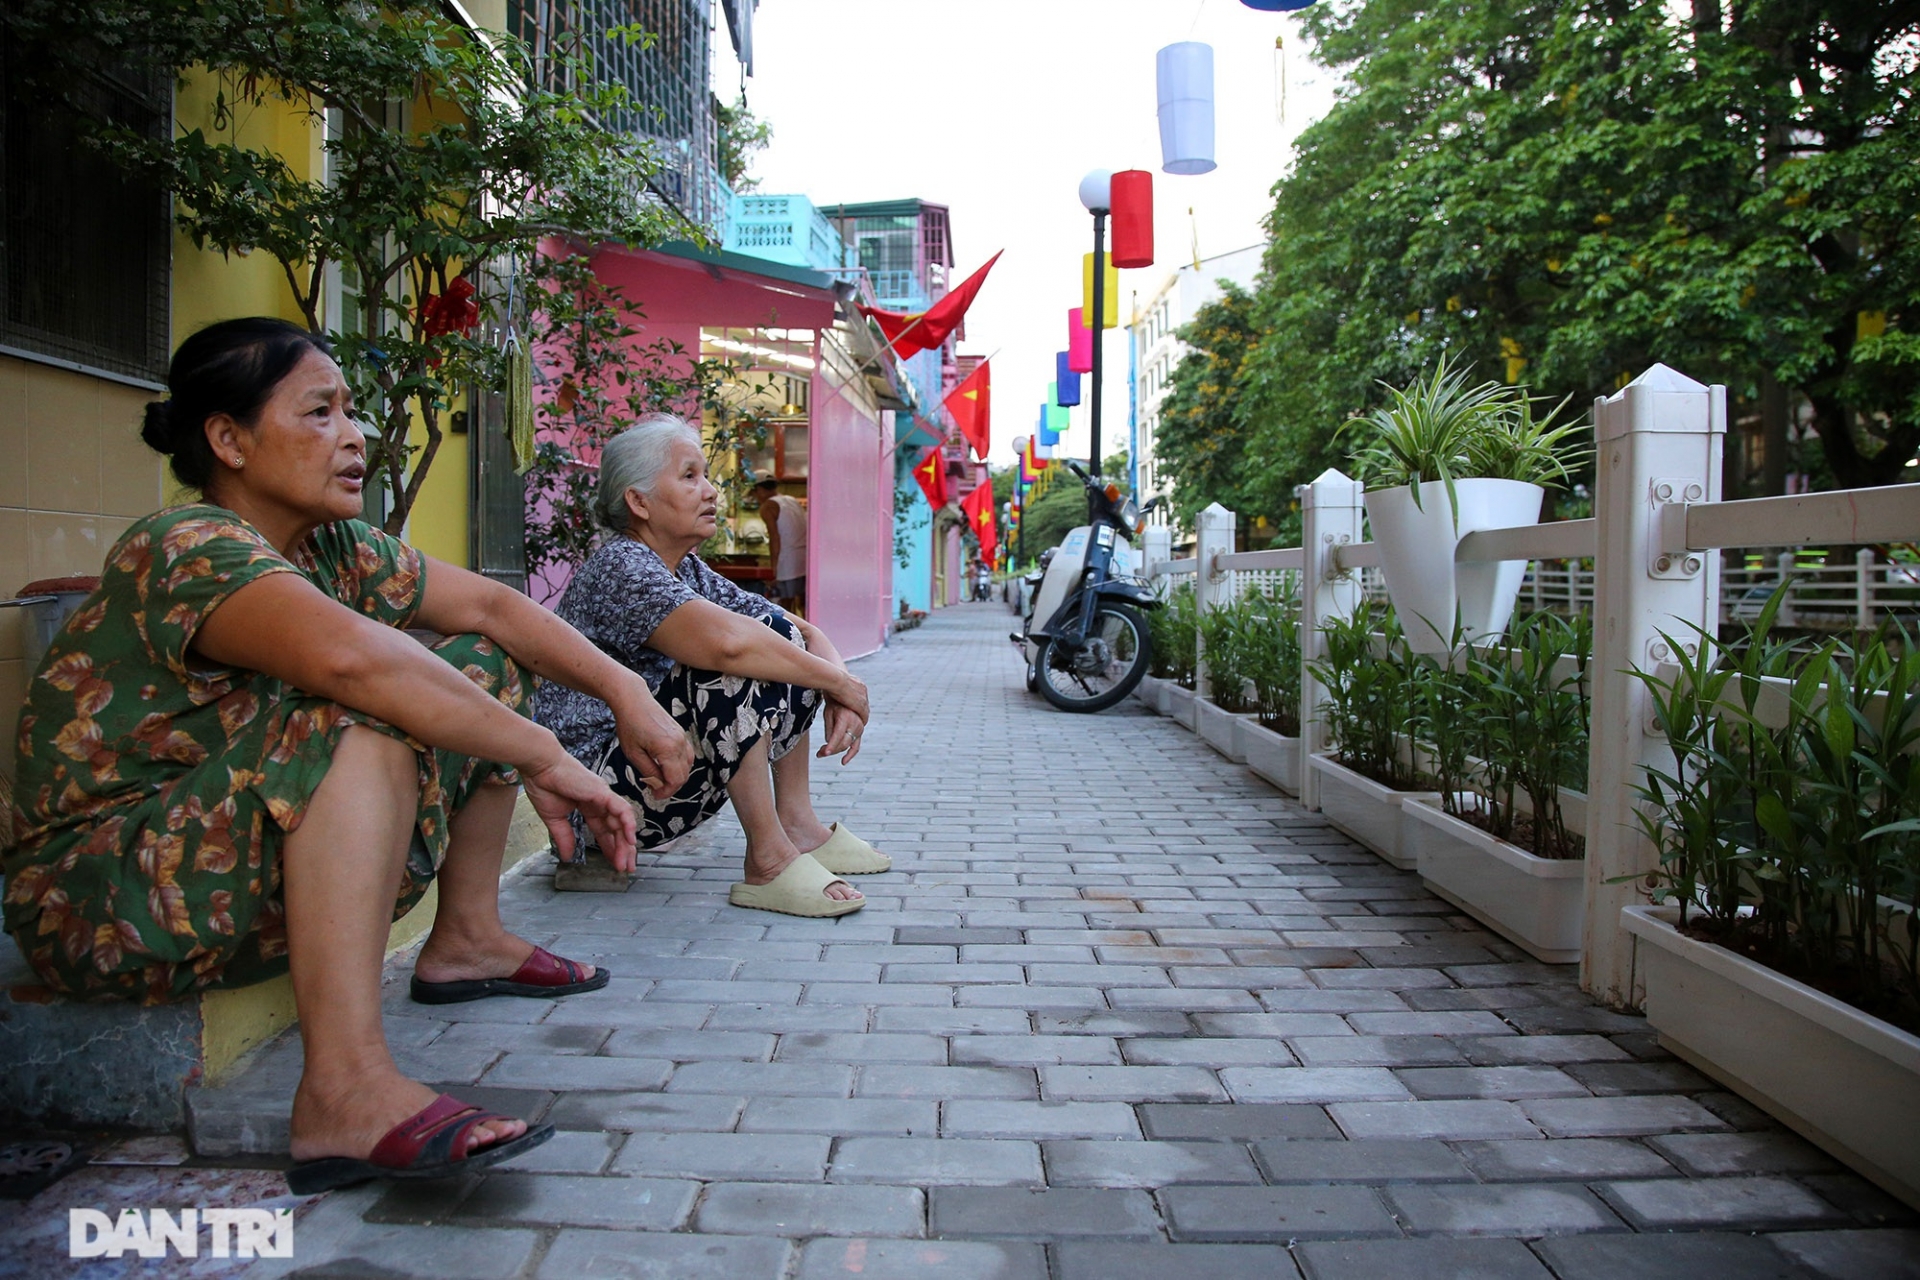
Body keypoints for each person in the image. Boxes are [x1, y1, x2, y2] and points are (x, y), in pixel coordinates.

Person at [2, 318, 695, 1195]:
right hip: (100, 896)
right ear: (228, 439)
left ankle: (468, 940)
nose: (354, 435)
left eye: (349, 411)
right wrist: (546, 755)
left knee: (480, 662)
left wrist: (626, 696)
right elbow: (354, 664)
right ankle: (343, 1092)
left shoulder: (332, 549)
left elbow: (493, 610)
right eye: (319, 412)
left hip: (215, 868)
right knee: (359, 716)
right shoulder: (185, 547)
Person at [536, 415, 888, 917]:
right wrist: (839, 683)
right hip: (597, 799)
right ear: (638, 502)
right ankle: (768, 862)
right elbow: (727, 648)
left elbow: (800, 630)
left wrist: (843, 686)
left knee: (779, 643)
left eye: (706, 475)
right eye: (689, 476)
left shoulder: (685, 569)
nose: (711, 491)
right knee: (735, 661)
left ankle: (798, 826)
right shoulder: (622, 566)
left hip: (654, 775)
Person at [753, 477, 808, 615]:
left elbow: (774, 538)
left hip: (787, 560)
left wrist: (774, 568)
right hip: (803, 558)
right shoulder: (791, 500)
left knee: (785, 606)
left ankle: (786, 635)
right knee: (802, 604)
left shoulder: (768, 506)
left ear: (760, 490)